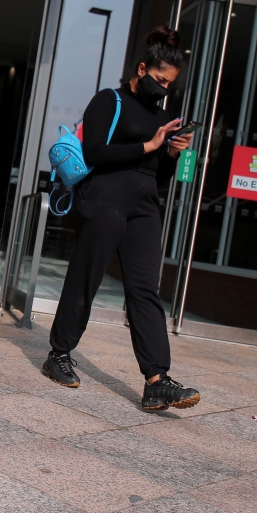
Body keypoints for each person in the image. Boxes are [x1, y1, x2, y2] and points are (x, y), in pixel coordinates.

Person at [42, 25, 201, 412]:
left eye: (171, 85)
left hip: (144, 203)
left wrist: (171, 153)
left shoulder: (163, 116)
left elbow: (158, 176)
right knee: (87, 276)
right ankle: (58, 354)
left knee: (145, 289)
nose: (164, 90)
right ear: (142, 69)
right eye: (160, 81)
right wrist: (149, 144)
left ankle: (156, 381)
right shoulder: (109, 100)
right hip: (104, 197)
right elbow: (95, 152)